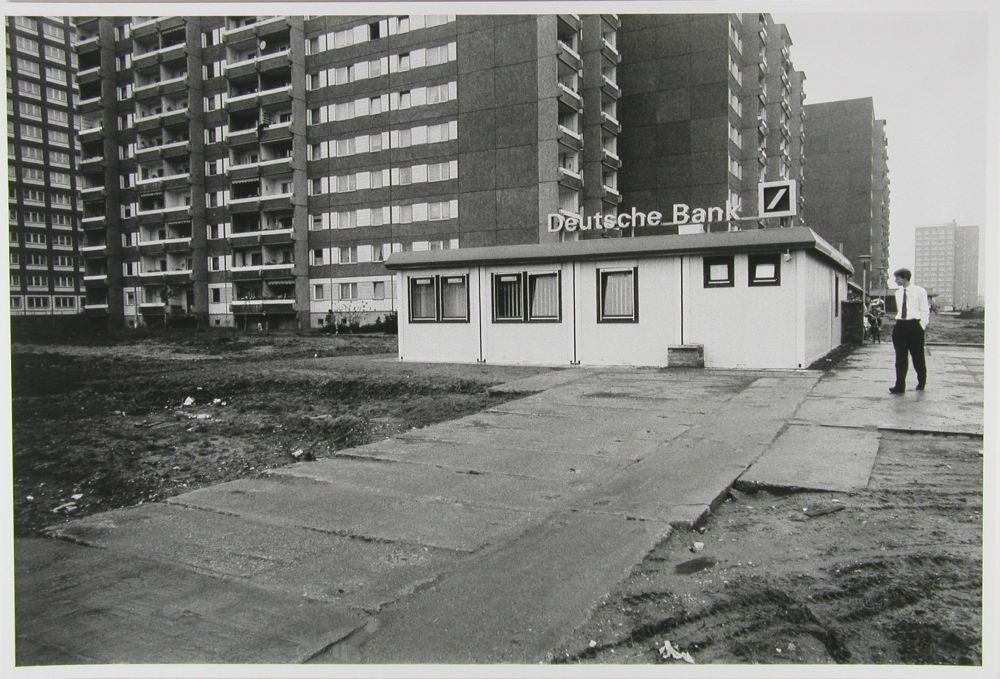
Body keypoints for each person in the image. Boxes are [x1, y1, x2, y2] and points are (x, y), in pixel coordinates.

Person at [889, 268, 930, 394]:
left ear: (905, 278)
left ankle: (921, 382)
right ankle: (899, 386)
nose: (895, 280)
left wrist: (921, 326)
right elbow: (900, 311)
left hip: (915, 326)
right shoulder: (897, 293)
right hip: (900, 326)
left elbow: (925, 310)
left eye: (897, 278)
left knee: (918, 357)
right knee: (900, 358)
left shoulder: (920, 291)